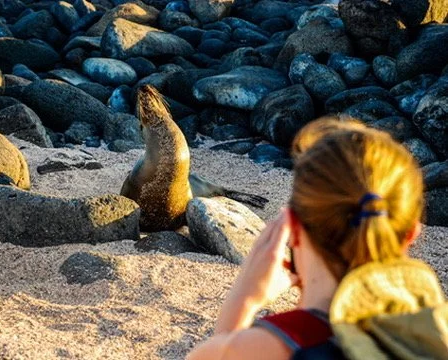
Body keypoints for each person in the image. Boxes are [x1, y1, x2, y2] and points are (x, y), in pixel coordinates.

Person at [187, 117, 448, 360]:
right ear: (412, 234)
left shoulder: (270, 347)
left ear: (294, 229)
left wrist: (243, 299)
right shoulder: (437, 335)